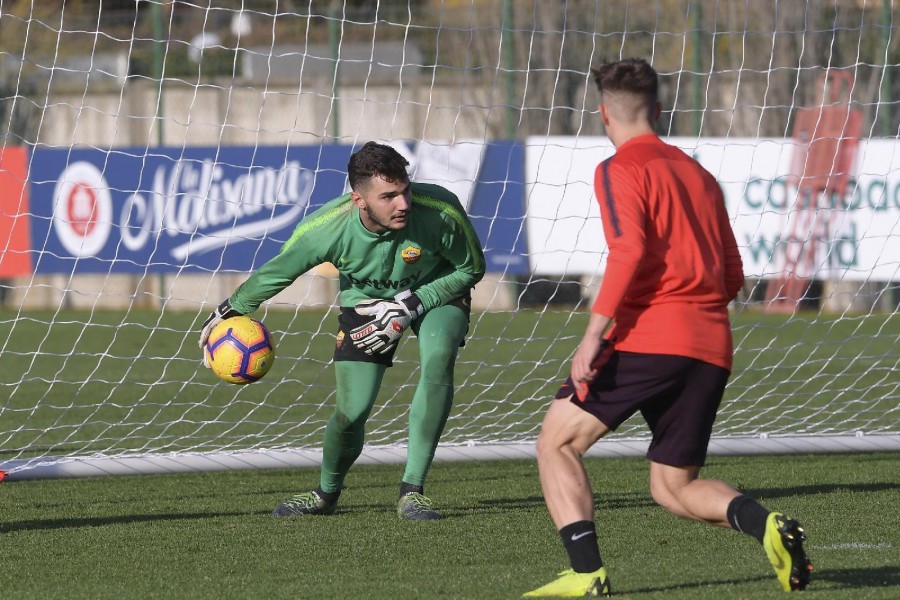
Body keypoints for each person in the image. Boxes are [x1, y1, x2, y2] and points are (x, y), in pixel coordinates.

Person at [524, 59, 813, 597]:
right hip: (711, 345)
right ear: (657, 110)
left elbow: (628, 248)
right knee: (673, 485)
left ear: (603, 113)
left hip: (647, 337)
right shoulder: (700, 176)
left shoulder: (619, 168)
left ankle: (587, 574)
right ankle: (766, 523)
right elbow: (732, 274)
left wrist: (594, 334)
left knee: (556, 444)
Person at [199, 141, 486, 520]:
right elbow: (279, 271)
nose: (403, 204)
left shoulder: (440, 211)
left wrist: (410, 305)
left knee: (439, 359)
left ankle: (412, 491)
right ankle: (325, 494)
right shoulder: (325, 228)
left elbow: (471, 269)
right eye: (388, 196)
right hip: (365, 304)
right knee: (351, 411)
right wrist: (228, 310)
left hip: (436, 295)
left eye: (405, 190)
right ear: (359, 200)